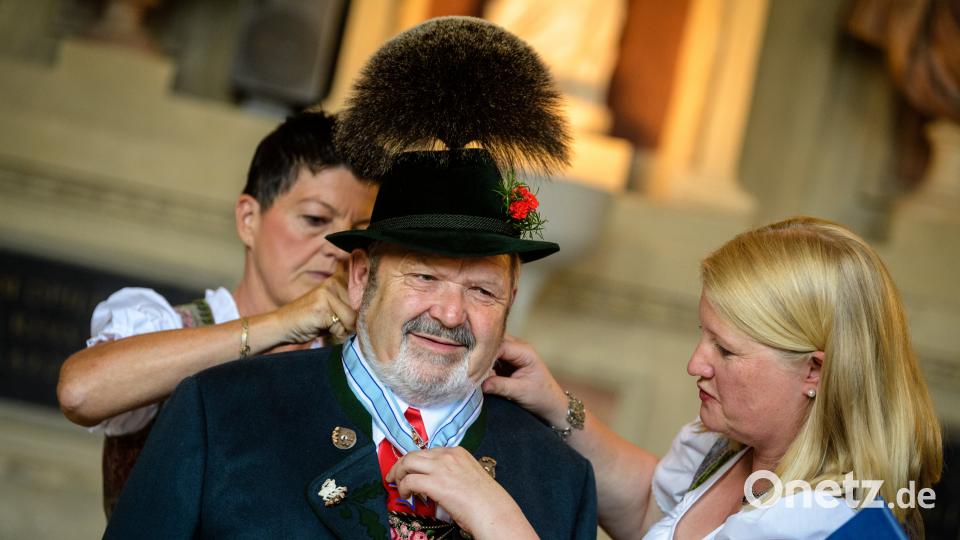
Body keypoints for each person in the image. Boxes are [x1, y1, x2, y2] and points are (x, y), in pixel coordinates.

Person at [103, 16, 597, 539]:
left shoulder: (560, 481)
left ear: (511, 299)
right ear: (361, 277)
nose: (451, 314)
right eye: (424, 277)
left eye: (481, 290)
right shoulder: (221, 412)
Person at [391, 216, 943, 539]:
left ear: (814, 370)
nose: (696, 364)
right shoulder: (730, 450)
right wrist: (558, 405)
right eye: (703, 334)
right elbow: (652, 510)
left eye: (725, 350)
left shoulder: (818, 524)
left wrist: (496, 517)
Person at [56, 110, 378, 515]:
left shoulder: (360, 363)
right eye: (315, 220)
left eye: (357, 232)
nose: (337, 247)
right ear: (248, 219)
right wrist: (281, 324)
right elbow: (80, 393)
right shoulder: (166, 326)